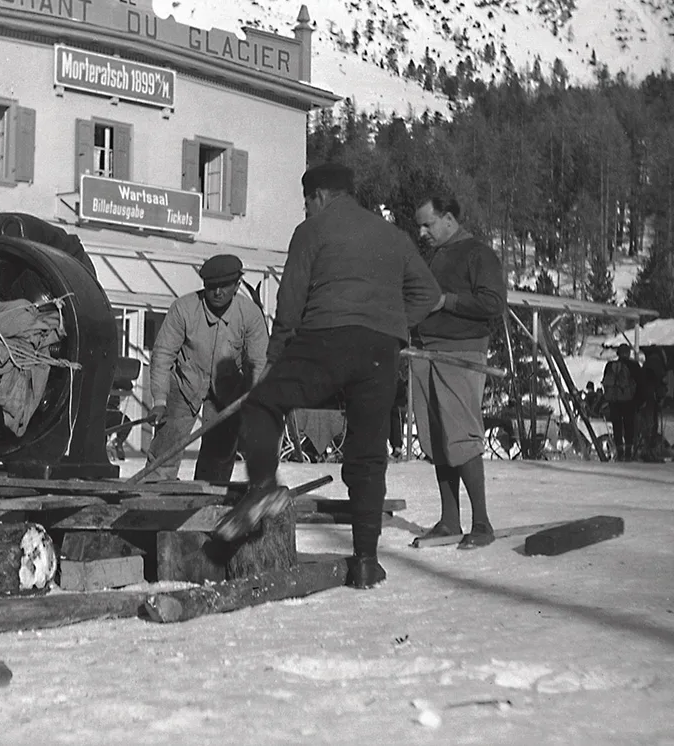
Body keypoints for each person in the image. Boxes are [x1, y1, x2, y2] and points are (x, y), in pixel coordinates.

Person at [229, 163, 440, 589]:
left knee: (263, 405)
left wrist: (275, 358)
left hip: (325, 338)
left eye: (306, 201)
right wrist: (394, 324)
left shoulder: (312, 230)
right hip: (380, 351)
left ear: (320, 197)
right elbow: (430, 295)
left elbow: (290, 303)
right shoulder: (393, 236)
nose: (305, 210)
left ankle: (266, 489)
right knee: (367, 453)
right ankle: (365, 560)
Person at [410, 195, 508, 550]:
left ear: (449, 219)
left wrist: (446, 301)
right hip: (426, 352)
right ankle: (450, 521)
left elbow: (493, 303)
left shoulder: (477, 254)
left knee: (461, 437)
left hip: (461, 355)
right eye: (419, 225)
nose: (422, 232)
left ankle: (481, 523)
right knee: (437, 440)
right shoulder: (435, 256)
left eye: (428, 224)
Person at [144, 254, 269, 482]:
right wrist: (160, 401)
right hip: (184, 385)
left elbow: (258, 362)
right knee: (165, 448)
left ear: (238, 285)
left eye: (225, 286)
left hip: (228, 390)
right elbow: (162, 355)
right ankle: (152, 493)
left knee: (219, 455)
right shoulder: (183, 309)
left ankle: (209, 500)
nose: (217, 292)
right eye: (211, 286)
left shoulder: (250, 315)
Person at [602, 344, 642, 461]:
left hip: (614, 401)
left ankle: (619, 452)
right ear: (628, 353)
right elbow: (640, 384)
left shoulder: (610, 365)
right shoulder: (633, 365)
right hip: (629, 401)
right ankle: (628, 453)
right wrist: (639, 402)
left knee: (617, 426)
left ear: (618, 353)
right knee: (629, 426)